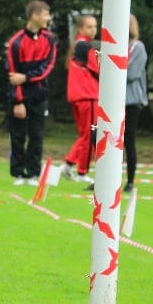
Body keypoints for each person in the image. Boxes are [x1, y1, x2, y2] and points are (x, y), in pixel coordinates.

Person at [5, 0, 57, 186]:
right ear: (34, 16)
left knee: (37, 136)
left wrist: (26, 77)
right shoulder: (15, 42)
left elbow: (47, 68)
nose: (48, 18)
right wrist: (18, 101)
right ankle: (18, 174)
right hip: (19, 97)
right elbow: (12, 75)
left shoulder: (49, 40)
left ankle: (34, 174)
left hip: (39, 95)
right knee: (18, 136)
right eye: (45, 14)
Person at [60, 14, 100, 188]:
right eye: (89, 27)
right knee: (89, 135)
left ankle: (68, 165)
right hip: (88, 95)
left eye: (95, 26)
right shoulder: (85, 46)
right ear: (80, 29)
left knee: (85, 134)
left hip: (78, 96)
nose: (93, 30)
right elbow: (98, 70)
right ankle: (81, 171)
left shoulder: (77, 46)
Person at [124, 13, 148, 193]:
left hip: (131, 101)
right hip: (114, 102)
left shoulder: (138, 48)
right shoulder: (115, 47)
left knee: (128, 141)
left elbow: (132, 74)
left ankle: (130, 181)